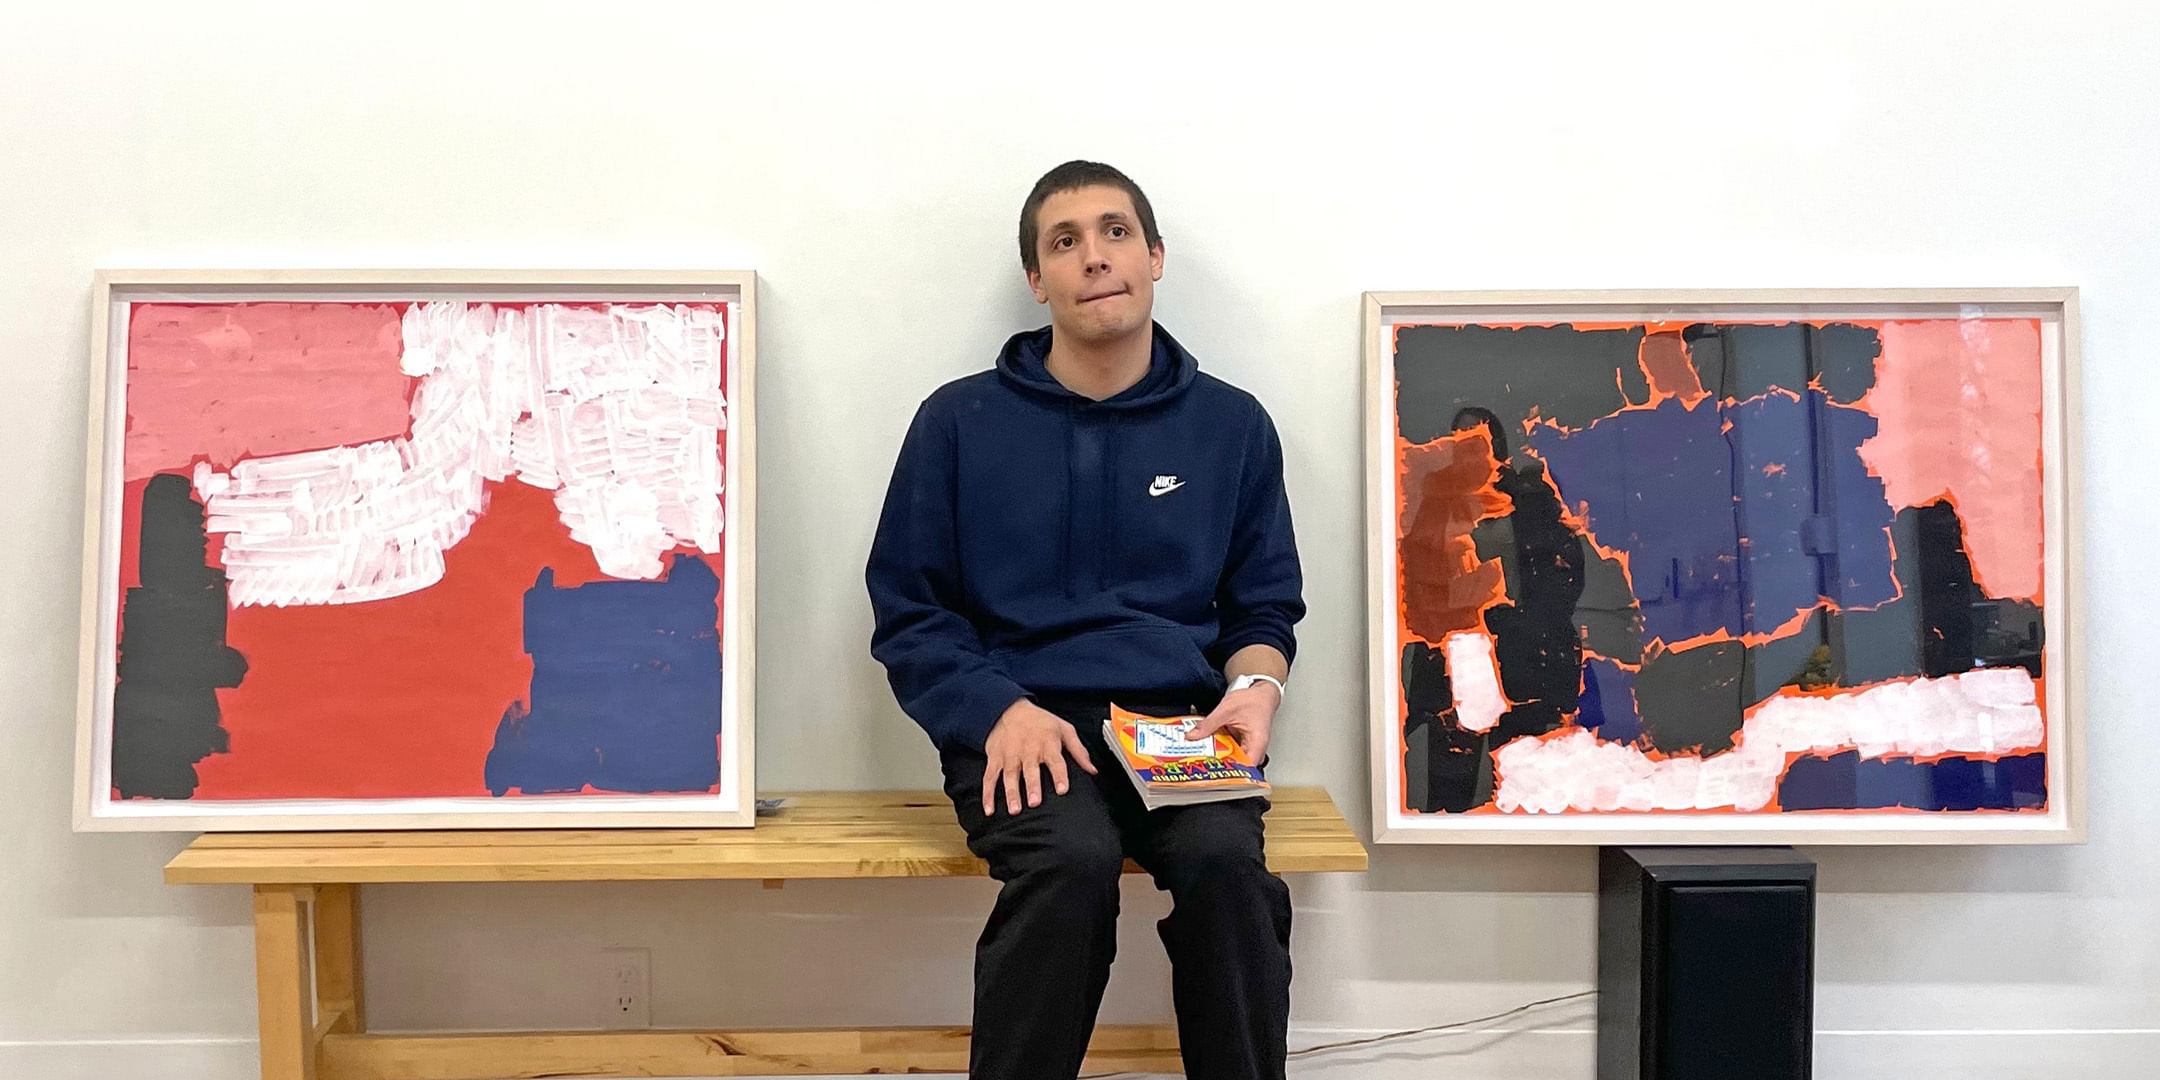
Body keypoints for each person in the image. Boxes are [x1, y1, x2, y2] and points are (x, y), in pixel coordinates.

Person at [865, 159, 1307, 1080]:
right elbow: (911, 612)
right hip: (1022, 726)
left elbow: (1262, 604)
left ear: (1154, 255)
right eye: (1064, 242)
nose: (1093, 258)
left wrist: (1257, 689)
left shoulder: (1233, 426)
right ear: (1037, 278)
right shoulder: (956, 424)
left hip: (1180, 730)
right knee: (1068, 867)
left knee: (1231, 874)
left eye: (1114, 234)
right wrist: (995, 712)